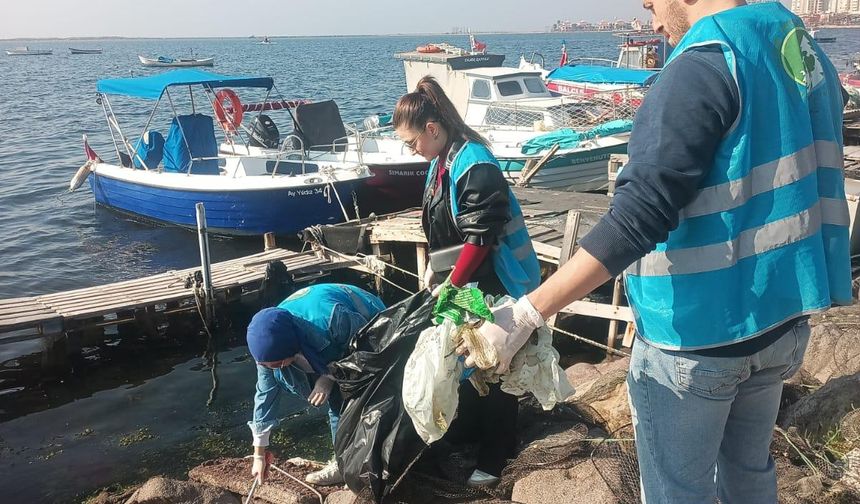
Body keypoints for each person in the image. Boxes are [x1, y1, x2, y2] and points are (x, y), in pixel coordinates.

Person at [459, 1, 851, 502]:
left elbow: (639, 214)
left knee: (676, 492)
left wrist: (527, 313)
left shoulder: (703, 65)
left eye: (651, 4)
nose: (653, 23)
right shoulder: (795, 44)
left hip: (697, 336)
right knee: (749, 475)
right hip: (780, 320)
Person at [393, 76, 542, 487]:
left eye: (412, 142)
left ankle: (497, 456)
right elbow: (444, 229)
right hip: (465, 283)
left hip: (495, 282)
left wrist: (452, 284)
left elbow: (481, 237)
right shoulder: (442, 162)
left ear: (432, 129)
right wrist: (435, 272)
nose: (412, 150)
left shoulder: (474, 163)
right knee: (467, 361)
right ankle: (471, 432)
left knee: (495, 366)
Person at [247, 283, 385, 486]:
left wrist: (329, 376)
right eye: (266, 365)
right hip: (314, 343)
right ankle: (344, 463)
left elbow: (368, 348)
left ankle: (370, 462)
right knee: (335, 399)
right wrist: (259, 453)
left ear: (290, 347)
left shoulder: (332, 320)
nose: (273, 368)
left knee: (354, 396)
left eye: (277, 364)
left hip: (370, 321)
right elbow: (265, 397)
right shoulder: (267, 349)